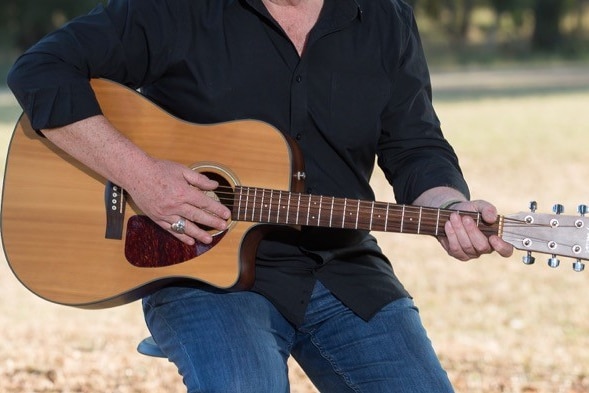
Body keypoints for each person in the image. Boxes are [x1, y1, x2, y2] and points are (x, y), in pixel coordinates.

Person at [7, 0, 514, 392]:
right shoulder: (179, 9)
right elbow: (40, 70)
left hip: (341, 265)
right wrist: (143, 177)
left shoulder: (384, 17)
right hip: (201, 269)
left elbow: (414, 145)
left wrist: (448, 208)